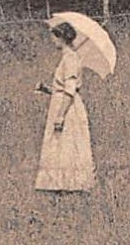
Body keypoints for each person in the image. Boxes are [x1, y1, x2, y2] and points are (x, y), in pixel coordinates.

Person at [35, 21, 95, 192]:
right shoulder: (69, 57)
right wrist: (47, 89)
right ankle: (60, 183)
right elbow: (62, 89)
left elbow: (70, 90)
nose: (52, 41)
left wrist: (61, 115)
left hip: (67, 107)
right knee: (60, 144)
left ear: (60, 38)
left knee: (67, 143)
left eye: (53, 37)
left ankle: (70, 184)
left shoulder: (70, 59)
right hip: (61, 101)